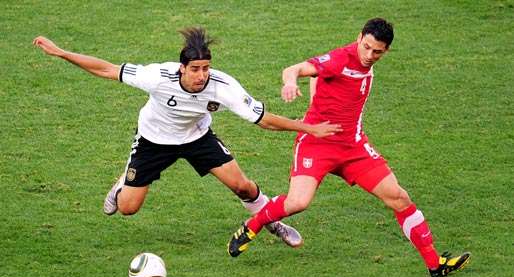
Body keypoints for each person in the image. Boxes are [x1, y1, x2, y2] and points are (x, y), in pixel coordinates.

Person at [33, 27, 342, 248]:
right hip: (153, 140)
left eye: (206, 68)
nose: (202, 75)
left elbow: (263, 120)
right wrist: (61, 53)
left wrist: (307, 128)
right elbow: (107, 70)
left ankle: (272, 222)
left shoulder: (221, 86)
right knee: (128, 207)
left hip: (196, 137)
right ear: (182, 68)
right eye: (195, 69)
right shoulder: (158, 76)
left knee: (242, 185)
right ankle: (123, 182)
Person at [228, 18, 470, 277]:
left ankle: (435, 265)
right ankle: (253, 224)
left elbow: (319, 78)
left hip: (353, 147)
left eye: (377, 51)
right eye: (366, 47)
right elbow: (295, 69)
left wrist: (315, 100)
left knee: (399, 198)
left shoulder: (364, 62)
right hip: (317, 143)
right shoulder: (340, 59)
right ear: (359, 38)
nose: (369, 55)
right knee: (298, 202)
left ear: (386, 50)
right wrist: (289, 83)